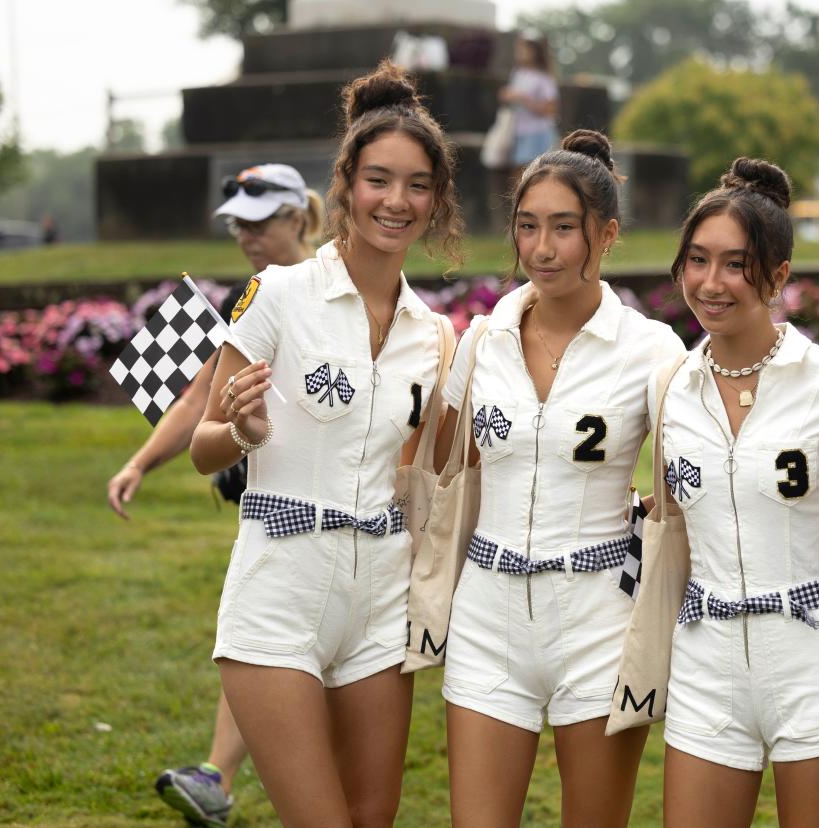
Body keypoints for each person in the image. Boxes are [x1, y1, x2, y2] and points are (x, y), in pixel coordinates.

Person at [189, 59, 462, 827]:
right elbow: (203, 446)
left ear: (437, 199)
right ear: (345, 183)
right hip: (281, 586)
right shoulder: (277, 295)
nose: (396, 201)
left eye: (417, 185)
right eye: (379, 179)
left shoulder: (434, 333)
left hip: (382, 596)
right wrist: (239, 431)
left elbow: (430, 467)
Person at [437, 129, 684, 828]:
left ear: (606, 235)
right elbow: (445, 468)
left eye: (564, 229)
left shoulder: (652, 349)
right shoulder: (482, 339)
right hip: (487, 612)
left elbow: (681, 489)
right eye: (527, 227)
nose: (542, 249)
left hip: (601, 618)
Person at [106, 161, 323, 828]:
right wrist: (142, 461)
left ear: (296, 217)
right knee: (259, 636)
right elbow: (202, 397)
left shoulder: (332, 287)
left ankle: (228, 778)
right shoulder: (252, 295)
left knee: (276, 640)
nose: (245, 236)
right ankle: (219, 777)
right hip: (269, 501)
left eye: (258, 222)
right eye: (237, 224)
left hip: (338, 503)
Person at [652, 158, 819, 828]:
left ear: (777, 278)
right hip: (705, 658)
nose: (711, 284)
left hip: (816, 658)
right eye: (698, 260)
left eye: (737, 265)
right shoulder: (670, 387)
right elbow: (680, 512)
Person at [500, 36, 559, 176]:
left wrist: (525, 99)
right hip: (519, 131)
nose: (520, 52)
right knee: (518, 174)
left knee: (537, 174)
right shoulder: (518, 73)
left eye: (525, 49)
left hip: (538, 132)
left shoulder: (544, 78)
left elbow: (551, 108)